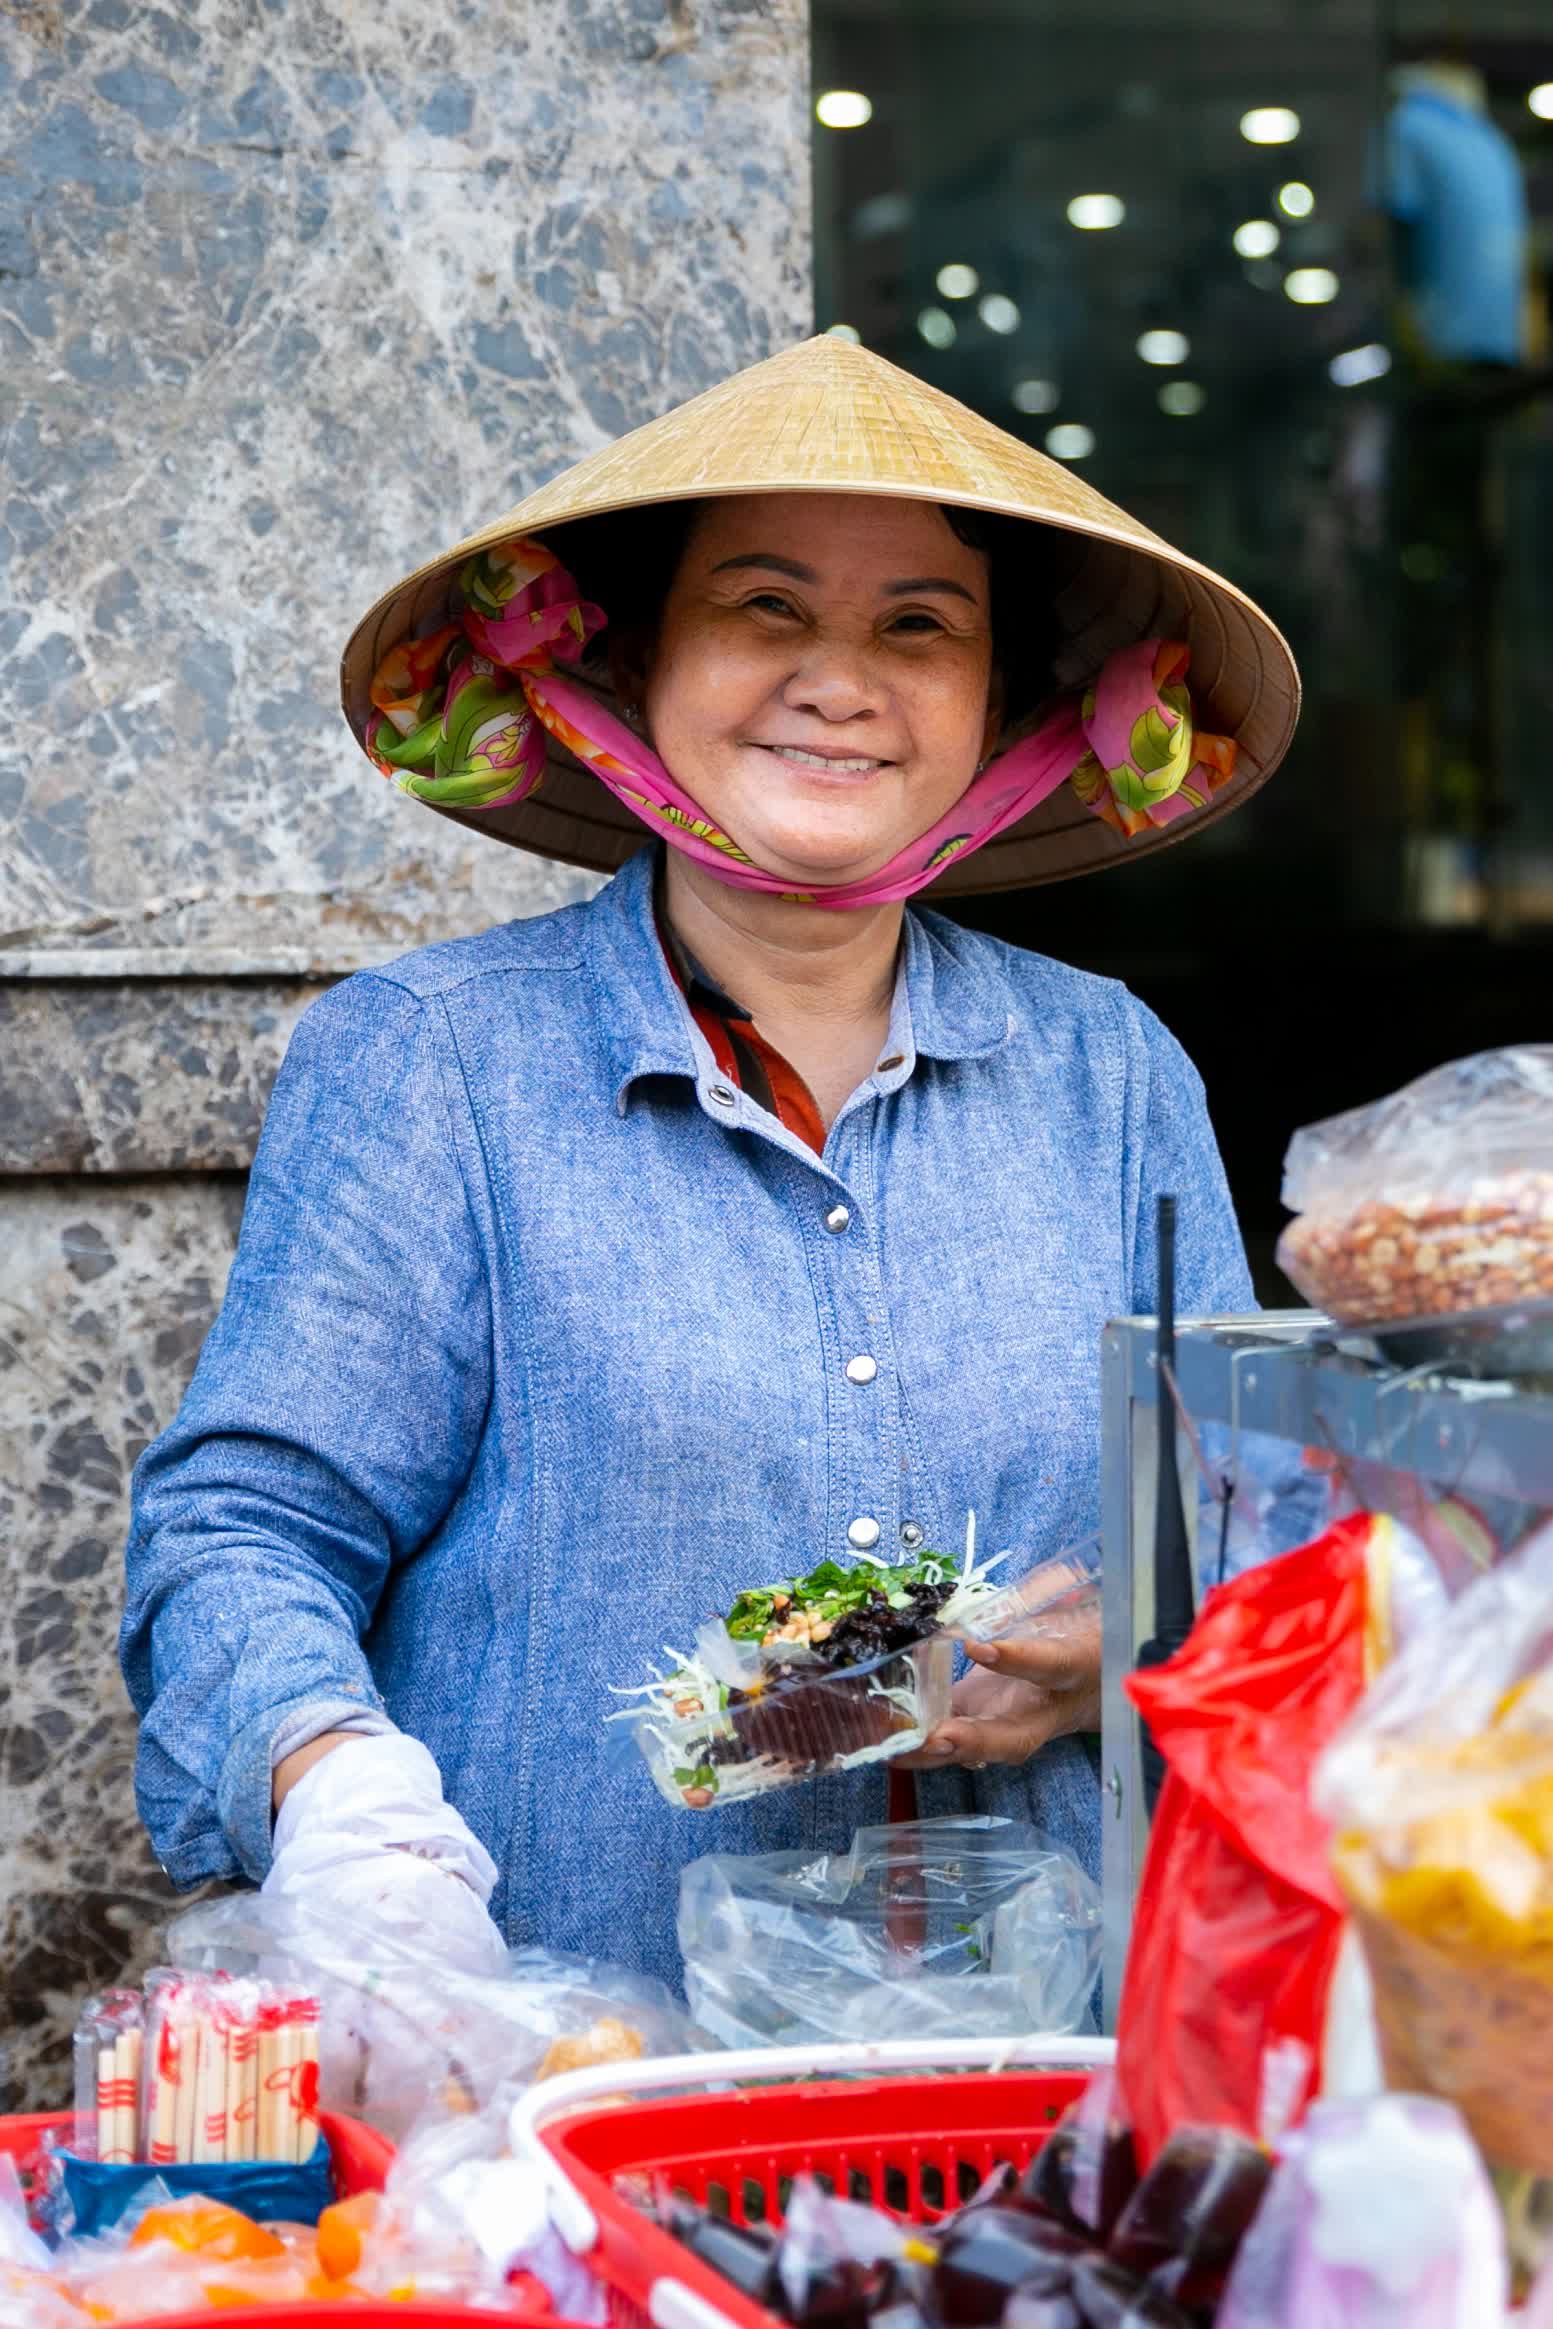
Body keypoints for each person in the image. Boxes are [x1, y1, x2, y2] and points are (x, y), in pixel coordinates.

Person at [121, 336, 1298, 1988]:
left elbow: (1243, 1525)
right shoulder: (436, 1060)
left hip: (1043, 2068)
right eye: (762, 606)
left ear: (1001, 705)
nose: (839, 678)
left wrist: (1116, 1640)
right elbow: (245, 1528)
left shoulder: (1107, 1069)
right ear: (630, 667)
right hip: (569, 2054)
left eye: (919, 625)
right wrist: (342, 1801)